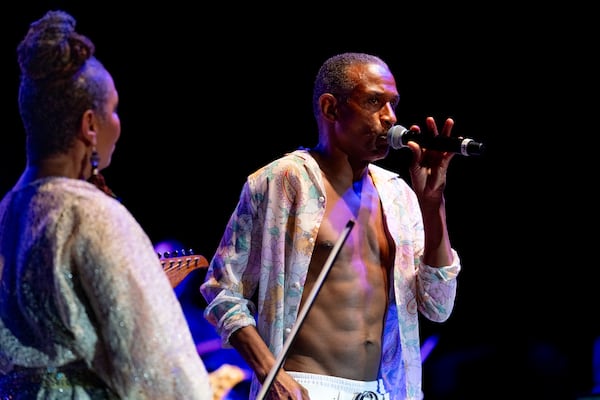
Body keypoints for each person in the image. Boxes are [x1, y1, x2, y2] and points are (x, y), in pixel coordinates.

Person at [200, 52, 463, 400]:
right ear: (330, 108)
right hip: (306, 387)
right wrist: (270, 371)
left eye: (393, 104)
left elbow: (439, 307)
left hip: (384, 390)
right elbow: (222, 292)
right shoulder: (282, 181)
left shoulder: (398, 194)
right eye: (374, 102)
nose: (391, 118)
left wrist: (432, 205)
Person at [0, 10, 212, 399]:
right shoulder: (91, 214)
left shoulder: (7, 213)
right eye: (113, 109)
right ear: (89, 126)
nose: (119, 122)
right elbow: (157, 358)